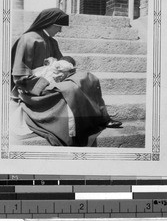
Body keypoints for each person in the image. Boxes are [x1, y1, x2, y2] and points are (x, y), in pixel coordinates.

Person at [11, 8, 122, 147]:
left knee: (88, 78)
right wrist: (45, 80)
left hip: (53, 77)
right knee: (71, 89)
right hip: (34, 87)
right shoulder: (27, 39)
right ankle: (83, 125)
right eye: (59, 26)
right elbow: (19, 77)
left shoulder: (52, 42)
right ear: (49, 23)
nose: (60, 31)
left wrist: (64, 68)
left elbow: (61, 63)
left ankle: (101, 118)